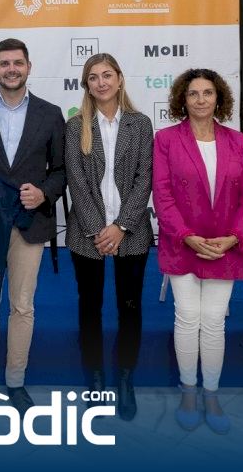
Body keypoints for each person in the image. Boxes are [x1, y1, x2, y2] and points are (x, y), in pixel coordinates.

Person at [0, 37, 66, 413]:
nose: (11, 69)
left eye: (18, 63)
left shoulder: (51, 114)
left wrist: (44, 193)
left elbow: (61, 170)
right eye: (4, 63)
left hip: (29, 223)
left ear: (29, 67)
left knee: (22, 306)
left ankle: (16, 382)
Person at [151, 68, 243, 435]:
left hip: (225, 246)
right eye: (193, 93)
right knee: (188, 316)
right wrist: (187, 236)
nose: (200, 99)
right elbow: (162, 194)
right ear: (183, 99)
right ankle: (189, 392)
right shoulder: (166, 139)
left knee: (213, 321)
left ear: (218, 98)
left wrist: (234, 237)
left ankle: (211, 394)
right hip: (183, 245)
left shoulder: (238, 141)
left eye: (208, 92)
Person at [63, 53, 154, 421]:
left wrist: (121, 226)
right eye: (93, 77)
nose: (101, 82)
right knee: (90, 308)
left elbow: (145, 178)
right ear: (87, 85)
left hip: (131, 232)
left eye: (107, 75)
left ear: (119, 79)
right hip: (88, 234)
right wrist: (99, 229)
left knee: (130, 308)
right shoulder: (75, 126)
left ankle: (126, 378)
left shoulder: (140, 123)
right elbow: (76, 181)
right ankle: (96, 378)